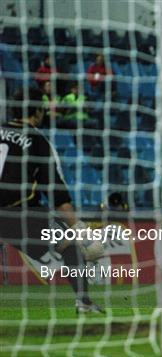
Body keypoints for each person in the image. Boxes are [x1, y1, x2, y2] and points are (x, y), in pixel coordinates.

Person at [0, 88, 104, 313]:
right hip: (19, 213)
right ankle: (83, 302)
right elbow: (57, 195)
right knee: (70, 245)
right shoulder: (38, 141)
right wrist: (81, 230)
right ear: (38, 112)